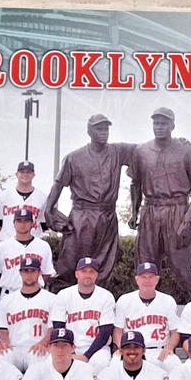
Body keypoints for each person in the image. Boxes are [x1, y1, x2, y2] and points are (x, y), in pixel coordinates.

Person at [45, 114, 136, 290]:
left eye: (106, 128)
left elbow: (146, 149)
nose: (103, 132)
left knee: (104, 264)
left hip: (107, 214)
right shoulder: (74, 157)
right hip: (82, 214)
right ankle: (62, 298)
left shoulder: (117, 151)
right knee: (71, 261)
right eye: (99, 129)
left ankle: (98, 303)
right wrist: (49, 209)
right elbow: (58, 184)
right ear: (89, 131)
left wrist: (177, 142)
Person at [129, 107, 191, 300]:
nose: (159, 127)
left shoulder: (187, 150)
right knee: (145, 266)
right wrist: (134, 211)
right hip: (150, 210)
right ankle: (142, 312)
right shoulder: (141, 151)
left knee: (186, 267)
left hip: (178, 209)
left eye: (164, 123)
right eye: (156, 123)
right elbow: (135, 184)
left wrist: (190, 214)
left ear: (173, 125)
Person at [112, 262, 182, 373]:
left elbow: (175, 331)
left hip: (159, 350)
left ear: (157, 279)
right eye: (143, 277)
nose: (147, 281)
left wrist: (170, 347)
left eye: (151, 277)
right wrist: (121, 347)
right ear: (137, 280)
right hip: (132, 349)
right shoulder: (125, 300)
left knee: (176, 365)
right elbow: (118, 330)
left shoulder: (168, 301)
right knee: (114, 364)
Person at [50, 257, 116, 374]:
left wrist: (86, 356)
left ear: (97, 275)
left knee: (101, 363)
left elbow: (105, 332)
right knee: (51, 364)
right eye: (84, 271)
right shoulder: (64, 295)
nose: (88, 275)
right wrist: (71, 352)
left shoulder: (106, 296)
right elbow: (59, 327)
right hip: (69, 346)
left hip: (97, 348)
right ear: (77, 274)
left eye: (92, 272)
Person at [0, 257, 56, 373]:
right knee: (1, 360)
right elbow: (2, 328)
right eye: (26, 271)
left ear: (39, 273)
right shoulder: (7, 300)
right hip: (14, 347)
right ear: (20, 273)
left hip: (38, 346)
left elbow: (53, 327)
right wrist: (3, 341)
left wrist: (44, 342)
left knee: (37, 367)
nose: (29, 275)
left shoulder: (52, 299)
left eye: (33, 271)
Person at [0, 208, 55, 297]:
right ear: (14, 223)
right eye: (19, 221)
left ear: (32, 223)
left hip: (36, 295)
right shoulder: (2, 247)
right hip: (9, 294)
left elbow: (46, 273)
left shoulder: (43, 246)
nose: (22, 224)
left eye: (26, 221)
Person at [0, 160, 49, 241]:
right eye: (22, 172)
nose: (25, 174)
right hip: (7, 241)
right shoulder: (3, 196)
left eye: (28, 172)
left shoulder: (43, 198)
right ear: (16, 174)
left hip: (34, 243)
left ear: (33, 175)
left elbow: (44, 224)